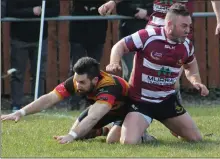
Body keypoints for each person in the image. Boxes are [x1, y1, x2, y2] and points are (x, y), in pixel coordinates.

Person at [106, 3, 209, 144]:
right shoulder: (148, 36)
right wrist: (114, 62)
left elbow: (191, 66)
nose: (188, 30)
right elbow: (120, 46)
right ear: (170, 24)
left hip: (166, 100)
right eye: (184, 26)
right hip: (141, 101)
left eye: (189, 26)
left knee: (196, 139)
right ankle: (136, 132)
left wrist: (196, 81)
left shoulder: (186, 45)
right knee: (128, 142)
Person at [1, 57, 154, 144]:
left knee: (113, 141)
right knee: (79, 133)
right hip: (110, 109)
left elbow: (94, 116)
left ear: (94, 80)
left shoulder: (109, 86)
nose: (77, 85)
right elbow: (49, 99)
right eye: (76, 81)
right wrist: (21, 112)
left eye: (82, 83)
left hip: (128, 110)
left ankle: (142, 134)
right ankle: (105, 130)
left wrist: (72, 135)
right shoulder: (77, 80)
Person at [98, 0, 220, 102]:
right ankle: (131, 120)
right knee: (135, 77)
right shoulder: (149, 35)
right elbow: (119, 46)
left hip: (176, 33)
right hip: (154, 31)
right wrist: (113, 2)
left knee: (172, 81)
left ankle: (176, 115)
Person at [7, 0, 60, 112]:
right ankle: (16, 104)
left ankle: (38, 104)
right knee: (17, 73)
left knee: (39, 73)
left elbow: (55, 10)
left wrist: (42, 11)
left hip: (40, 38)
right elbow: (10, 11)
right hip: (19, 38)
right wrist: (31, 11)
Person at [68, 0, 109, 110]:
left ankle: (92, 101)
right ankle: (74, 102)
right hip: (78, 30)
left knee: (94, 69)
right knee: (76, 68)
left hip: (97, 30)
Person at [116, 0, 153, 82]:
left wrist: (147, 12)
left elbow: (160, 9)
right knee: (130, 71)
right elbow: (120, 8)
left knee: (148, 72)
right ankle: (127, 93)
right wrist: (140, 12)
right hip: (127, 35)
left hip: (149, 37)